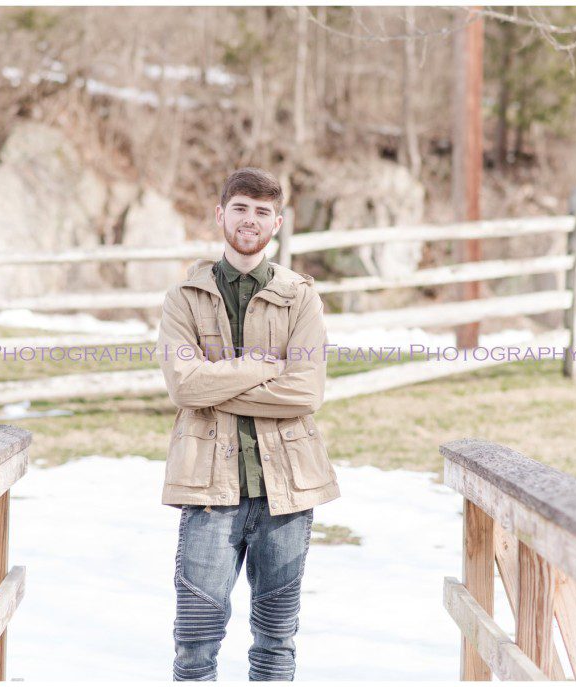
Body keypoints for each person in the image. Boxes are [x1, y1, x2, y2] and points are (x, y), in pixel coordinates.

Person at [157, 167, 341, 681]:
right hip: (207, 489)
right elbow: (184, 387)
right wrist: (263, 366)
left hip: (286, 489)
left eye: (262, 212)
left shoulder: (300, 296)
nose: (250, 220)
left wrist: (219, 386)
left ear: (276, 223)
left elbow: (307, 390)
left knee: (276, 643)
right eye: (240, 208)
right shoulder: (184, 299)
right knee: (195, 642)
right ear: (221, 215)